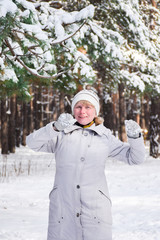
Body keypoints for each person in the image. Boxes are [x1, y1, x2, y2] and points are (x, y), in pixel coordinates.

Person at [26, 89, 145, 240]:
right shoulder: (61, 135)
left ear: (95, 111)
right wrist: (55, 127)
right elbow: (32, 143)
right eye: (78, 107)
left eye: (88, 107)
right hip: (64, 208)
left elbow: (135, 158)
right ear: (73, 109)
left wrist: (135, 137)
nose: (82, 111)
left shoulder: (105, 137)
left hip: (95, 211)